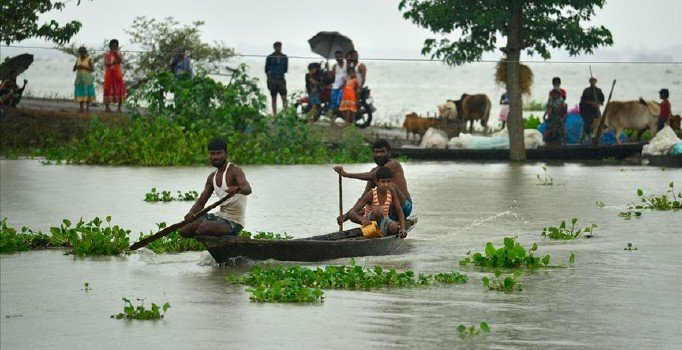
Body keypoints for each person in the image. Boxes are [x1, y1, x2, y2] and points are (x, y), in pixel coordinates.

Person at [178, 138, 252, 238]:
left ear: (226, 153)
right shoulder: (212, 177)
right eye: (212, 154)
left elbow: (248, 189)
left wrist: (238, 189)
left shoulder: (235, 170)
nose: (215, 157)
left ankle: (223, 235)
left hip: (234, 222)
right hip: (220, 216)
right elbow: (200, 203)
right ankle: (217, 237)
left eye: (219, 153)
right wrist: (191, 213)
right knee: (184, 230)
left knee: (203, 228)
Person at [334, 139, 412, 223]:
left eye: (382, 152)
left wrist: (346, 174)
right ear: (373, 153)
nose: (379, 155)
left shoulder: (394, 164)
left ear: (389, 153)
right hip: (389, 211)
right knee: (356, 212)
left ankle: (387, 223)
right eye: (376, 152)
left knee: (391, 186)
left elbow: (373, 175)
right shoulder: (374, 171)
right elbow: (365, 195)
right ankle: (369, 225)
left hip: (404, 207)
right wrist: (347, 215)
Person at [346, 167, 407, 238]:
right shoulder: (371, 194)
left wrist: (402, 228)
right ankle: (375, 233)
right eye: (383, 181)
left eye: (388, 181)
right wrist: (362, 220)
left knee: (394, 227)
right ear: (378, 182)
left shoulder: (392, 191)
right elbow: (352, 213)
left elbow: (399, 211)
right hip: (370, 223)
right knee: (378, 210)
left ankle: (381, 233)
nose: (386, 184)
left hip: (384, 220)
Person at [265, 41, 288, 115]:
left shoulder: (284, 57)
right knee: (273, 98)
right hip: (272, 79)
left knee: (284, 97)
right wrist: (269, 79)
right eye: (277, 47)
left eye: (280, 46)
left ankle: (286, 114)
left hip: (281, 79)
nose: (279, 48)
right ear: (274, 47)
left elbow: (285, 69)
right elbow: (266, 70)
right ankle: (274, 115)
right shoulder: (270, 57)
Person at [579, 77, 605, 141]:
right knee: (588, 125)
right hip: (588, 112)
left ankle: (595, 138)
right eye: (591, 81)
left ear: (596, 81)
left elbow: (602, 100)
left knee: (597, 125)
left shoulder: (599, 90)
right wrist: (591, 103)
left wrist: (598, 104)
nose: (592, 82)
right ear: (589, 82)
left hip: (596, 112)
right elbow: (582, 101)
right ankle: (587, 138)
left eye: (593, 81)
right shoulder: (586, 90)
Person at [103, 39, 126, 112]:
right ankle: (107, 107)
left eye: (116, 46)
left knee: (119, 89)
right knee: (108, 89)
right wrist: (113, 62)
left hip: (117, 75)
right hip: (109, 74)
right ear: (110, 46)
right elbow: (106, 63)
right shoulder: (107, 53)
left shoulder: (119, 53)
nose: (114, 47)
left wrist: (116, 54)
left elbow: (121, 60)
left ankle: (119, 108)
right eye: (113, 46)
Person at [73, 46, 96, 112]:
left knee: (87, 93)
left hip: (87, 79)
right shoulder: (78, 59)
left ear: (85, 52)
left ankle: (87, 108)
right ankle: (81, 108)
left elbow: (92, 69)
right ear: (79, 53)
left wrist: (83, 67)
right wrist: (77, 67)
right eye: (81, 52)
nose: (82, 53)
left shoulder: (88, 59)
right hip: (79, 79)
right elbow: (74, 69)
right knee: (80, 92)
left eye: (83, 52)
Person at [328, 50, 347, 115]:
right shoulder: (335, 66)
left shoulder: (347, 65)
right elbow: (331, 77)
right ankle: (332, 121)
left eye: (339, 57)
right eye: (336, 57)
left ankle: (347, 120)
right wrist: (328, 71)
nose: (338, 59)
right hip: (335, 87)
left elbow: (350, 75)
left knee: (340, 105)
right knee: (333, 105)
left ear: (343, 56)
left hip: (344, 87)